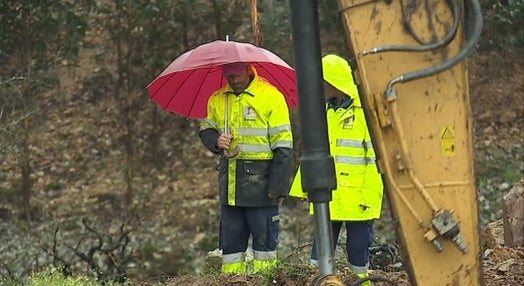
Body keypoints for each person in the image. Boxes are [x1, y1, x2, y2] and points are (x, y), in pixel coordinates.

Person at [289, 54, 384, 285]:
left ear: (335, 82)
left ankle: (361, 283)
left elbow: (375, 162)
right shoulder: (323, 114)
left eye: (324, 81)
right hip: (329, 196)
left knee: (358, 250)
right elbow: (314, 153)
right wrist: (303, 188)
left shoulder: (364, 115)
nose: (320, 87)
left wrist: (369, 199)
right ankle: (316, 281)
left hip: (357, 199)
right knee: (320, 250)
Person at [199, 62, 293, 274]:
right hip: (231, 187)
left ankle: (267, 279)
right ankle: (233, 280)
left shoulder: (271, 96)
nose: (233, 80)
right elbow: (205, 129)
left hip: (262, 186)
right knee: (231, 249)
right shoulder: (217, 99)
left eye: (237, 75)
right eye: (229, 75)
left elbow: (284, 147)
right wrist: (216, 141)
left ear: (249, 70)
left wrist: (277, 186)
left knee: (264, 246)